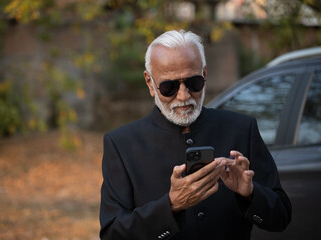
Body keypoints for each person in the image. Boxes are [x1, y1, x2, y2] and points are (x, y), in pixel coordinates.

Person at [99, 30, 291, 240]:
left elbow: (281, 217)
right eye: (169, 87)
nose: (184, 95)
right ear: (150, 83)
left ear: (205, 75)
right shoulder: (122, 145)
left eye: (194, 83)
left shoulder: (242, 128)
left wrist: (250, 194)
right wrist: (171, 206)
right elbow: (112, 234)